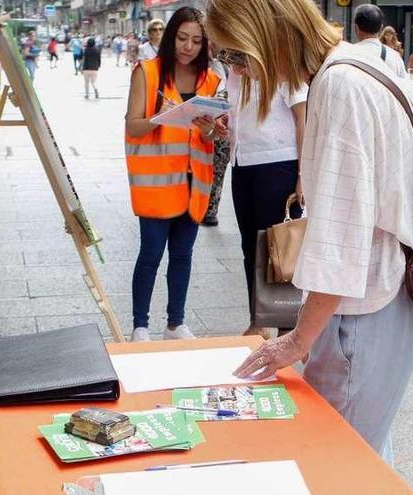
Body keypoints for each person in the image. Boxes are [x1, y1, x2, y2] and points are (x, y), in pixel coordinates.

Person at [205, 0, 413, 465]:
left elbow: (341, 238)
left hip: (363, 306)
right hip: (389, 290)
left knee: (338, 460)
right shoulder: (356, 61)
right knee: (366, 448)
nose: (238, 71)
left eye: (236, 56)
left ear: (264, 36)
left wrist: (298, 339)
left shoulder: (336, 85)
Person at [124, 7, 226, 342]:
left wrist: (210, 129)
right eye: (182, 38)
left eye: (196, 41)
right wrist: (162, 117)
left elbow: (210, 136)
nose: (188, 46)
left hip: (193, 183)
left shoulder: (210, 80)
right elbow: (133, 126)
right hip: (157, 183)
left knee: (183, 255)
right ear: (170, 37)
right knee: (151, 254)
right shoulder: (148, 72)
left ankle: (175, 323)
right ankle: (140, 325)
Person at [216, 45, 308, 340]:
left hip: (279, 163)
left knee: (279, 248)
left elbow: (302, 119)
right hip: (242, 162)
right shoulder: (234, 74)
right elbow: (241, 116)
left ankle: (285, 326)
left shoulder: (281, 65)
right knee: (251, 247)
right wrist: (223, 125)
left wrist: (303, 175)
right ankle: (258, 321)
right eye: (229, 60)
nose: (235, 67)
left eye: (238, 59)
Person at [203, 42, 231, 227]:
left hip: (223, 122)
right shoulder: (192, 67)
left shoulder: (229, 64)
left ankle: (211, 210)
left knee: (218, 168)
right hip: (202, 123)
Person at [353, 5, 406, 79]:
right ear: (381, 28)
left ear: (356, 27)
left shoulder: (346, 55)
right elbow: (403, 85)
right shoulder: (395, 57)